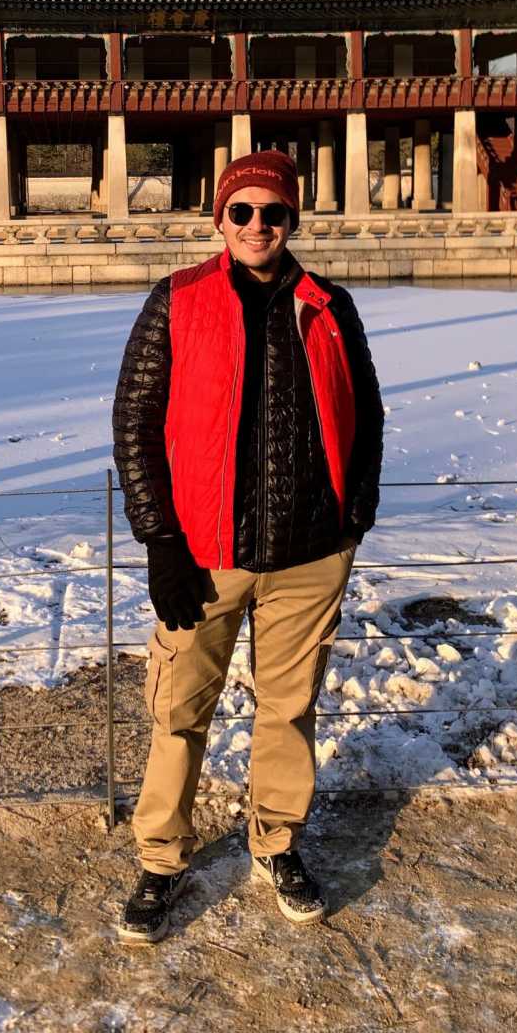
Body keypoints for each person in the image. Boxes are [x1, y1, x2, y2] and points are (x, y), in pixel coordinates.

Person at [111, 149, 384, 944]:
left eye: (273, 213)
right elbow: (135, 423)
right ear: (220, 220)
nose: (258, 225)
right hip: (204, 554)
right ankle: (161, 858)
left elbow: (367, 413)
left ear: (292, 220)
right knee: (178, 711)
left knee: (288, 709)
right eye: (242, 211)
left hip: (310, 553)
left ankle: (277, 842)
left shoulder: (328, 304)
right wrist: (160, 541)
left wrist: (354, 517)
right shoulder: (178, 301)